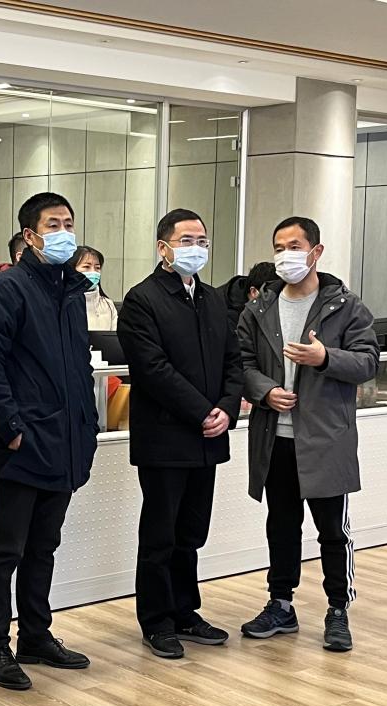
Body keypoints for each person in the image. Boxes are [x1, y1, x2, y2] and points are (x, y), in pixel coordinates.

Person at [0, 192, 98, 691]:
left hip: (65, 438)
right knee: (7, 548)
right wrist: (11, 426)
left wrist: (86, 424)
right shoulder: (8, 289)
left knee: (44, 545)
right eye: (53, 224)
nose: (64, 232)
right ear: (30, 235)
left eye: (69, 223)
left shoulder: (72, 291)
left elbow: (78, 365)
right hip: (23, 441)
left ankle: (36, 635)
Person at [237, 216, 379, 652]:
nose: (286, 256)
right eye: (279, 247)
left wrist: (324, 358)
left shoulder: (345, 306)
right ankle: (281, 603)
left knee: (332, 531)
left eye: (295, 247)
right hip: (274, 438)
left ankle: (338, 610)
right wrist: (265, 391)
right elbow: (241, 363)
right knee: (281, 526)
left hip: (324, 438)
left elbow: (368, 362)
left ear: (316, 252)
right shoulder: (259, 308)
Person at [117, 209, 244, 659]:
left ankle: (185, 611)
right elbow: (152, 369)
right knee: (160, 535)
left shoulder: (212, 299)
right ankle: (156, 620)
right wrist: (202, 411)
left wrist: (227, 408)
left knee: (191, 532)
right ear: (163, 247)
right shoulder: (142, 300)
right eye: (187, 240)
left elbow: (234, 360)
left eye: (202, 241)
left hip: (209, 436)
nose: (197, 248)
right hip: (166, 437)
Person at [72, 245, 118, 330]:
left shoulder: (108, 305)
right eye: (86, 267)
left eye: (97, 268)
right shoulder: (63, 304)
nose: (93, 272)